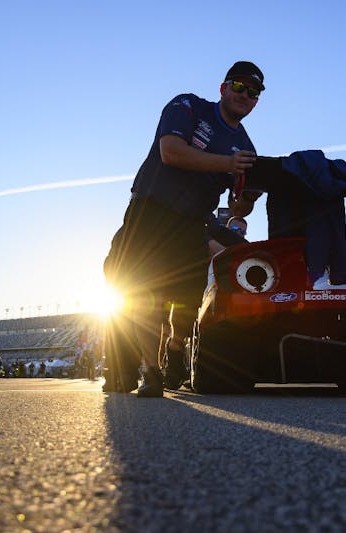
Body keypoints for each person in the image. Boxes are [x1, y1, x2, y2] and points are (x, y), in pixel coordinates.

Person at [103, 61, 265, 397]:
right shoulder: (187, 106)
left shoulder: (246, 147)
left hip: (194, 223)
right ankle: (150, 370)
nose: (244, 95)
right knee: (142, 292)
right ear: (223, 87)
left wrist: (250, 196)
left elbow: (238, 209)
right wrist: (226, 164)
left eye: (253, 92)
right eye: (239, 87)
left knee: (188, 298)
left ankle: (175, 351)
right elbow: (170, 152)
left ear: (256, 102)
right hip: (151, 211)